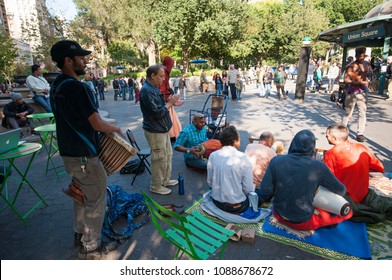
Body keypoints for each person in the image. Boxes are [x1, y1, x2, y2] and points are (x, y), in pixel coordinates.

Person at [49, 40, 123, 260]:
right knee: (95, 200)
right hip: (84, 155)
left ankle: (80, 234)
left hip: (68, 153)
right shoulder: (77, 87)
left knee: (81, 196)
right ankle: (91, 248)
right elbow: (97, 123)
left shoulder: (57, 85)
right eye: (80, 58)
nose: (84, 61)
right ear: (68, 61)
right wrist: (116, 128)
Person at [257, 130, 352, 231]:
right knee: (348, 212)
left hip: (278, 214)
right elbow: (341, 190)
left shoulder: (276, 161)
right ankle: (326, 222)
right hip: (302, 222)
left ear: (293, 143)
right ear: (312, 147)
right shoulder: (319, 167)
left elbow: (265, 190)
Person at [324, 123, 391, 223]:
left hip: (347, 199)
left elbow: (328, 181)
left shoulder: (330, 154)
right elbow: (379, 168)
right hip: (364, 194)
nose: (327, 138)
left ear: (334, 138)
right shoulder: (361, 148)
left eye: (327, 136)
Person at [140, 64, 181, 195]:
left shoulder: (153, 88)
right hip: (155, 130)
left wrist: (170, 102)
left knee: (167, 155)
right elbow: (157, 113)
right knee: (159, 159)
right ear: (153, 76)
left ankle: (165, 180)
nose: (164, 79)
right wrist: (170, 103)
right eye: (161, 76)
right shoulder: (147, 90)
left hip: (162, 129)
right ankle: (156, 185)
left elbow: (159, 107)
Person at [207, 125, 254, 213]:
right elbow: (248, 189)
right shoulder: (243, 158)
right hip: (236, 206)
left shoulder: (213, 155)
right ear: (235, 141)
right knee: (257, 195)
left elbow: (209, 182)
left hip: (216, 203)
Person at [342, 46, 369, 142]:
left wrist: (366, 81)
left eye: (363, 56)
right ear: (357, 55)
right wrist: (358, 83)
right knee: (348, 113)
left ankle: (360, 133)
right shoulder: (351, 66)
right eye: (360, 56)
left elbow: (366, 76)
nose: (362, 58)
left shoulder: (367, 64)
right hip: (352, 92)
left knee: (363, 113)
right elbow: (345, 80)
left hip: (363, 93)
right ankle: (342, 131)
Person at [159, 56, 183, 143]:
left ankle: (172, 136)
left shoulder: (166, 73)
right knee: (169, 119)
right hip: (163, 101)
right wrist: (170, 100)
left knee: (172, 119)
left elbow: (166, 88)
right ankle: (171, 136)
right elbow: (162, 89)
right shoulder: (163, 73)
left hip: (166, 99)